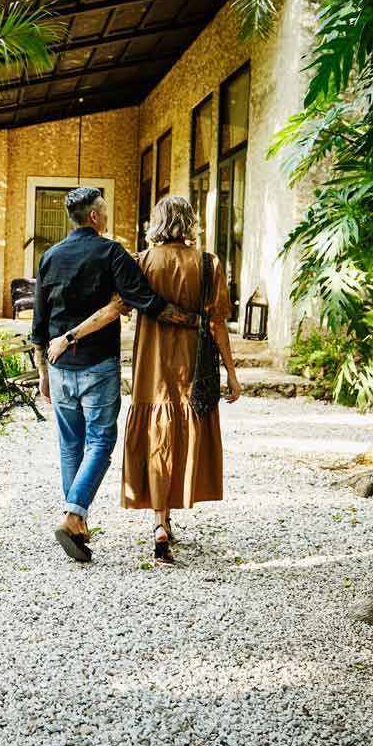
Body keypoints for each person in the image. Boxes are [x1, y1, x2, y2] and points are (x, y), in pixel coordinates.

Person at [47, 195, 241, 563]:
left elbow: (117, 308)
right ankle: (164, 518)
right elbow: (217, 323)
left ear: (157, 222)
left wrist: (70, 336)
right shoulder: (208, 263)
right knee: (180, 434)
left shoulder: (140, 261)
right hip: (191, 368)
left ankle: (159, 521)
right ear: (190, 221)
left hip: (151, 368)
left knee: (156, 435)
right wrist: (231, 373)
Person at [30, 187, 189, 563]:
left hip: (57, 366)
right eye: (106, 210)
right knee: (100, 442)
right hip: (97, 366)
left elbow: (39, 324)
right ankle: (73, 516)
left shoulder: (49, 257)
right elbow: (146, 301)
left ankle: (78, 523)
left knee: (70, 444)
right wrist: (192, 320)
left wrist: (41, 373)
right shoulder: (111, 252)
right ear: (96, 217)